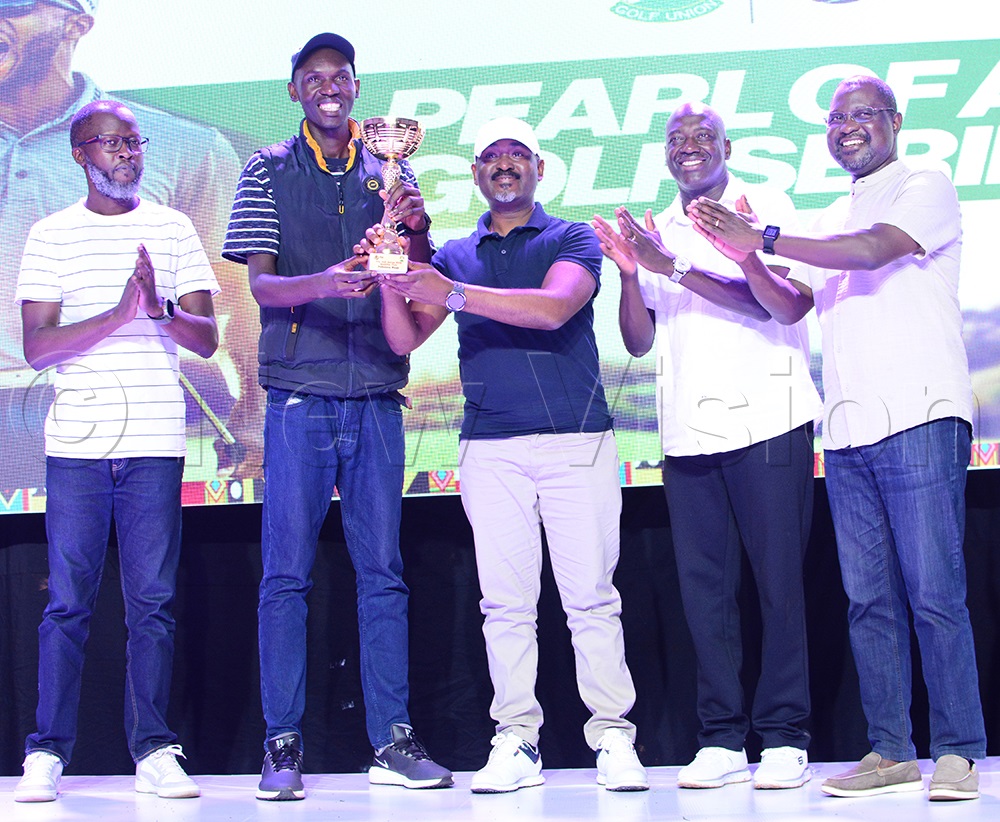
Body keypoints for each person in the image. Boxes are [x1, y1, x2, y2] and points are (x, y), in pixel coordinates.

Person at [689, 75, 987, 802]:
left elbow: (875, 250)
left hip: (921, 413)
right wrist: (741, 259)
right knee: (868, 601)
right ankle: (892, 748)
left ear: (895, 121)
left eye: (862, 114)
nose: (846, 126)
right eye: (835, 118)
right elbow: (787, 306)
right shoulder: (827, 216)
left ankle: (957, 750)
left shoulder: (925, 183)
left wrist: (763, 236)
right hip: (849, 428)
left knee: (934, 593)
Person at [378, 116, 648, 794]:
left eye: (517, 155)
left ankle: (613, 736)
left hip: (576, 438)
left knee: (591, 599)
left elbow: (554, 308)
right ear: (475, 173)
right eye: (491, 156)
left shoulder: (571, 237)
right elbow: (404, 340)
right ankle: (517, 739)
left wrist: (453, 294)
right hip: (490, 446)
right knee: (504, 605)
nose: (504, 164)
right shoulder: (455, 253)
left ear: (539, 169)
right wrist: (388, 275)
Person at [221, 32, 451, 800]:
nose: (329, 86)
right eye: (314, 77)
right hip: (298, 397)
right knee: (285, 577)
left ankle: (393, 739)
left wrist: (415, 225)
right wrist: (324, 281)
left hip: (377, 394)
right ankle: (282, 744)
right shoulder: (266, 169)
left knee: (383, 574)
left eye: (341, 76)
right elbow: (261, 288)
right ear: (294, 90)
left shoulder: (390, 167)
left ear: (355, 87)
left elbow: (415, 268)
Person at [592, 102, 822, 791]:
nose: (688, 146)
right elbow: (639, 340)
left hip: (771, 419)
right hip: (688, 431)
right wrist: (631, 272)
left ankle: (784, 736)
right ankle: (721, 737)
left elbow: (780, 305)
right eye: (676, 138)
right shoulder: (656, 228)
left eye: (703, 136)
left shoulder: (765, 206)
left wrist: (675, 265)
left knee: (780, 586)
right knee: (705, 595)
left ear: (728, 146)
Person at [12, 99, 219, 802]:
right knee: (68, 603)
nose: (127, 153)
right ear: (80, 154)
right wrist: (118, 314)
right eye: (112, 143)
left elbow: (207, 339)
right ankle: (47, 753)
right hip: (77, 445)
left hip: (154, 442)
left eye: (134, 142)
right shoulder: (50, 234)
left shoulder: (173, 227)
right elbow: (38, 347)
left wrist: (158, 309)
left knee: (151, 604)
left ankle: (154, 749)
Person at [0, 0, 255, 486]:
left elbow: (241, 300)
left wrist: (254, 409)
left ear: (75, 24)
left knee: (134, 536)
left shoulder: (185, 146)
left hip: (130, 406)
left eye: (15, 5)